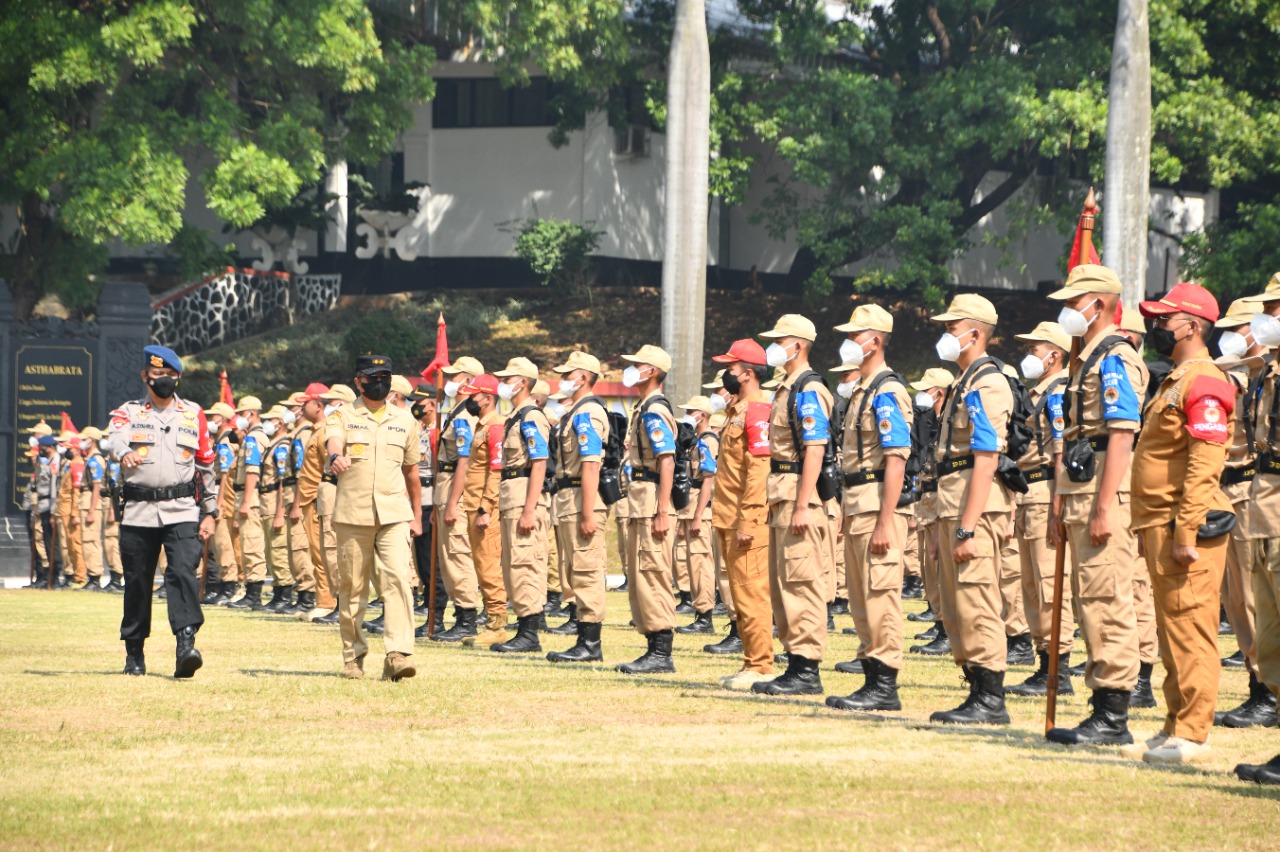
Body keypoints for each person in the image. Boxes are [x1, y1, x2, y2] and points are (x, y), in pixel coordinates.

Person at [1123, 282, 1236, 765]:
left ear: (1191, 326)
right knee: (1172, 629)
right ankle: (1174, 724)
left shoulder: (1204, 381)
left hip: (1181, 524)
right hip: (1159, 523)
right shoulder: (1174, 378)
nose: (1156, 328)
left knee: (1191, 627)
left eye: (1164, 320)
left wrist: (1186, 529)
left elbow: (1203, 464)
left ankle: (1194, 733)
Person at [1045, 265, 1149, 746]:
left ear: (1100, 304)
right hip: (1081, 493)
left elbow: (1122, 433)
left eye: (1075, 302)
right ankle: (1101, 703)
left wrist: (1105, 506)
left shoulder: (1113, 358)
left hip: (1103, 494)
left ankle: (1113, 714)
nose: (1068, 311)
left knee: (1107, 598)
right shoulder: (1087, 358)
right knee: (1089, 601)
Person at [926, 294, 1013, 724]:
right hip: (955, 504)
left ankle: (990, 699)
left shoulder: (987, 383)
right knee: (959, 603)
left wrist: (967, 527)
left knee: (977, 599)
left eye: (951, 328)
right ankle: (976, 688)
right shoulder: (964, 381)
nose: (945, 335)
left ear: (974, 333)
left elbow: (985, 458)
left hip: (974, 508)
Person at [107, 345, 218, 678]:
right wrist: (124, 452)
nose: (164, 381)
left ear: (179, 378)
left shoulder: (193, 414)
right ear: (145, 377)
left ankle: (186, 646)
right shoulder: (128, 412)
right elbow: (114, 439)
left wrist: (210, 511)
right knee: (138, 582)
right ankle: (134, 652)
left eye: (170, 376)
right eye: (157, 376)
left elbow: (207, 465)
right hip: (139, 509)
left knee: (182, 572)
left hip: (182, 509)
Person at [825, 304, 913, 712]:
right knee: (861, 596)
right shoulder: (863, 390)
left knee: (880, 594)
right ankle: (870, 676)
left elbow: (896, 457)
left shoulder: (887, 391)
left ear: (874, 341)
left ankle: (885, 684)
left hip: (879, 504)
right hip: (858, 502)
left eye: (854, 335)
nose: (847, 343)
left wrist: (884, 521)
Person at [326, 354, 422, 681]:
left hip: (394, 513)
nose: (379, 382)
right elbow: (334, 440)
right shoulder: (341, 415)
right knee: (352, 588)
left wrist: (417, 515)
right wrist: (336, 456)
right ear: (358, 381)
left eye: (385, 376)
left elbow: (412, 472)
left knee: (398, 580)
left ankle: (398, 654)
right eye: (372, 376)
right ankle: (353, 657)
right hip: (353, 514)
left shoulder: (406, 420)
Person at [754, 315, 834, 696]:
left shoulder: (808, 388)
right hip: (782, 492)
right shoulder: (786, 388)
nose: (772, 347)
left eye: (779, 340)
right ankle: (795, 663)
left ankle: (806, 668)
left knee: (802, 582)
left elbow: (814, 448)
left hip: (798, 494)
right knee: (784, 581)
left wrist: (804, 503)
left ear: (797, 345)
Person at [1211, 299, 1278, 728]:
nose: (1236, 333)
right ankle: (1262, 687)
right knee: (1239, 600)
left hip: (1254, 488)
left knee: (1256, 600)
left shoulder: (1253, 376)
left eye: (1242, 325)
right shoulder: (1257, 376)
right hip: (1243, 490)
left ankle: (1267, 692)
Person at [1005, 322, 1075, 698]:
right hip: (1028, 490)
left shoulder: (1057, 393)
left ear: (1055, 355)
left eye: (1036, 348)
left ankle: (1058, 670)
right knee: (1031, 586)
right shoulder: (1039, 392)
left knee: (1050, 585)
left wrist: (1056, 506)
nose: (1029, 354)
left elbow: (1061, 450)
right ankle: (1043, 660)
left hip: (1046, 490)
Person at [1231, 277, 1280, 785]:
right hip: (1264, 509)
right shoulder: (1268, 373)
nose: (1269, 316)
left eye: (1276, 308)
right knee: (1270, 633)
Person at [709, 341, 772, 688]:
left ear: (747, 373)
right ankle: (750, 661)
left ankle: (761, 666)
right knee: (739, 594)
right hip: (727, 516)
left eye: (731, 369)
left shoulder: (758, 410)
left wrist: (748, 519)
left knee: (751, 593)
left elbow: (758, 471)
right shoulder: (738, 410)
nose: (725, 375)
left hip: (745, 520)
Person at [616, 344, 680, 675]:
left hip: (652, 497)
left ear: (652, 371)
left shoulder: (654, 410)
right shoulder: (643, 407)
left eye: (638, 365)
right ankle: (652, 646)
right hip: (641, 498)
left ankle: (661, 651)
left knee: (653, 574)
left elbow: (666, 461)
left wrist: (662, 510)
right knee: (641, 574)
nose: (632, 369)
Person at [546, 351, 612, 663]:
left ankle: (590, 644)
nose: (564, 379)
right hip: (569, 498)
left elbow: (590, 466)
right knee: (575, 569)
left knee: (586, 571)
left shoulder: (587, 414)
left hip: (581, 500)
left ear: (583, 377)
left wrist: (588, 512)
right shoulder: (576, 412)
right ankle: (582, 639)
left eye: (568, 374)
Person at [491, 357, 553, 653]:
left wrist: (529, 510)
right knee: (512, 564)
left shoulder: (531, 416)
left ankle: (530, 633)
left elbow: (539, 463)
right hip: (511, 494)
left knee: (525, 562)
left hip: (524, 495)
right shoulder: (515, 416)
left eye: (508, 379)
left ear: (523, 383)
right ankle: (523, 626)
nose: (503, 384)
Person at [431, 356, 485, 642]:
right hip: (445, 487)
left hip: (455, 487)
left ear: (468, 381)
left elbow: (464, 461)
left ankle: (467, 617)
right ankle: (459, 614)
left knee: (457, 554)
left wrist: (452, 503)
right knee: (447, 557)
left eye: (455, 376)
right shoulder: (456, 411)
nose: (449, 381)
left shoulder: (464, 416)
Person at [457, 373, 509, 648]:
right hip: (473, 505)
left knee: (488, 565)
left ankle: (497, 625)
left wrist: (485, 507)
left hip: (483, 507)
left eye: (473, 396)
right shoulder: (481, 425)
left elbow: (496, 471)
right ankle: (491, 618)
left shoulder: (495, 426)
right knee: (481, 564)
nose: (469, 400)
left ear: (487, 398)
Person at [908, 368, 954, 657]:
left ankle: (947, 628)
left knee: (940, 565)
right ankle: (939, 621)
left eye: (928, 390)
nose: (922, 395)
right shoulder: (932, 421)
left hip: (941, 497)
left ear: (940, 391)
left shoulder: (949, 420)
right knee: (929, 565)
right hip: (927, 496)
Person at [674, 396, 720, 636]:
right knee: (691, 563)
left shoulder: (708, 441)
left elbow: (708, 480)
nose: (688, 415)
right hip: (689, 510)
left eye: (691, 411)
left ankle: (705, 616)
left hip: (699, 511)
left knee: (701, 563)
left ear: (701, 415)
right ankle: (698, 611)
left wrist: (698, 516)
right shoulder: (696, 441)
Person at [409, 387, 447, 637]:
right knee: (421, 561)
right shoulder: (419, 430)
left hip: (430, 498)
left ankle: (438, 614)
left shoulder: (437, 432)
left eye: (420, 403)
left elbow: (437, 470)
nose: (416, 407)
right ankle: (430, 609)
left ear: (432, 405)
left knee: (432, 561)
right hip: (418, 499)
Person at [229, 396, 269, 610]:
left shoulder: (253, 438)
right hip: (246, 495)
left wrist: (245, 502)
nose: (239, 419)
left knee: (252, 545)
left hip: (249, 497)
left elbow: (253, 471)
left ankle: (254, 594)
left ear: (251, 414)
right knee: (248, 544)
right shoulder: (255, 437)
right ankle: (251, 591)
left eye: (241, 414)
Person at [260, 406, 296, 612]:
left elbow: (283, 481)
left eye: (271, 419)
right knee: (271, 551)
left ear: (280, 422)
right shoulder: (273, 444)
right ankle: (277, 592)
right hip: (267, 502)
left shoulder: (282, 446)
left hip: (275, 503)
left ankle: (284, 592)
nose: (267, 423)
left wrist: (279, 512)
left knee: (279, 550)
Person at [204, 402, 240, 604]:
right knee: (217, 544)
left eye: (214, 416)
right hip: (219, 491)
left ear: (223, 419)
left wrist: (219, 502)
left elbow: (224, 475)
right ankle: (222, 583)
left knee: (222, 541)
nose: (210, 420)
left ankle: (229, 585)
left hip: (223, 494)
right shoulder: (219, 442)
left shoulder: (225, 444)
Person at [78, 426, 108, 590]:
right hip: (87, 499)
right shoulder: (90, 458)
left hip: (91, 501)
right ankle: (92, 576)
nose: (82, 442)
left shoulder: (95, 459)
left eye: (84, 439)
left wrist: (91, 510)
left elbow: (97, 486)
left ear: (93, 440)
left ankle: (95, 577)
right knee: (86, 540)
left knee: (91, 540)